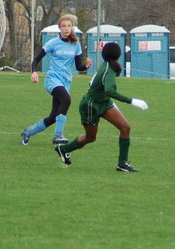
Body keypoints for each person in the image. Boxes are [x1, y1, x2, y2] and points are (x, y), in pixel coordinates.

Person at [54, 42, 148, 172]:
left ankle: (122, 164)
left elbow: (94, 83)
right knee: (91, 137)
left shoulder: (108, 65)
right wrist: (131, 101)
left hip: (104, 103)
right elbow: (109, 91)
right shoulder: (108, 68)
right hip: (90, 106)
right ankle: (63, 149)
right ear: (117, 55)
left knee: (125, 127)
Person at [21, 14, 92, 145]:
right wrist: (34, 72)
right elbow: (36, 60)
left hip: (66, 81)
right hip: (53, 79)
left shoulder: (76, 44)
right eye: (64, 26)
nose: (66, 28)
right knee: (66, 100)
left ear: (72, 27)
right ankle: (58, 136)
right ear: (59, 28)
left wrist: (86, 66)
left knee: (53, 117)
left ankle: (28, 132)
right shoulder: (53, 43)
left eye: (69, 26)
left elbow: (78, 67)